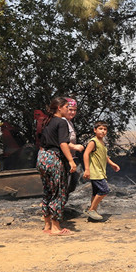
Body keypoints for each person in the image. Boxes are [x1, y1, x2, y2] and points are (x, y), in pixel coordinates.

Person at [36, 96, 77, 236]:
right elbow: (63, 143)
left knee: (47, 190)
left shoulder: (47, 121)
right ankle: (55, 227)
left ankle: (47, 225)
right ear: (59, 108)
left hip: (42, 157)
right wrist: (71, 161)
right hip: (54, 158)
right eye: (66, 107)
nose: (68, 110)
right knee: (59, 192)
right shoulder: (61, 122)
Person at [82, 121, 120, 221]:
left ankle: (92, 214)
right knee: (104, 190)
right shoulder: (93, 142)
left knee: (95, 193)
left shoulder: (102, 143)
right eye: (100, 129)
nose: (103, 131)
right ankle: (91, 210)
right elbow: (86, 154)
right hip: (95, 171)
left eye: (105, 129)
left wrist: (112, 164)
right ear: (95, 130)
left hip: (100, 171)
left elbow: (105, 156)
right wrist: (87, 169)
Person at [63, 98, 85, 199]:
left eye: (74, 110)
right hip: (63, 159)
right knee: (63, 186)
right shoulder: (62, 122)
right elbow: (61, 142)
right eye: (70, 109)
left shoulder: (69, 122)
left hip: (70, 158)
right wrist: (74, 146)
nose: (72, 112)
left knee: (70, 185)